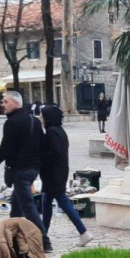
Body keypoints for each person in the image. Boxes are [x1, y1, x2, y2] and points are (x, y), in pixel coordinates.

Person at [0, 90, 52, 253]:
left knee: (28, 207)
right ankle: (13, 237)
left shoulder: (12, 123)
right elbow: (43, 145)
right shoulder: (34, 121)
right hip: (32, 169)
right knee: (16, 205)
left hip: (21, 170)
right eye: (3, 101)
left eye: (6, 102)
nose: (3, 104)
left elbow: (5, 148)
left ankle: (45, 241)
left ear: (16, 103)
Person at [40, 104, 93, 247]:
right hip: (57, 172)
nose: (41, 119)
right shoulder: (59, 131)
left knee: (62, 201)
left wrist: (41, 155)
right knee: (46, 201)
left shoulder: (52, 132)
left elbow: (54, 153)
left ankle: (83, 232)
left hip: (53, 173)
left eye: (43, 116)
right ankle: (43, 234)